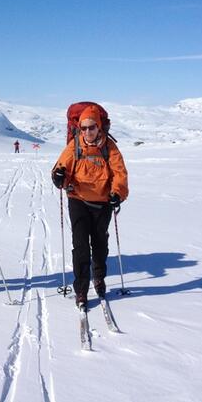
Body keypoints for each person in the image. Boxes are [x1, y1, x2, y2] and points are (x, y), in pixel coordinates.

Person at [51, 105, 128, 306]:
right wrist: (58, 177)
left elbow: (120, 173)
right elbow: (60, 167)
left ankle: (99, 278)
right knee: (81, 246)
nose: (87, 132)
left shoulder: (109, 147)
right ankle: (81, 289)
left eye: (91, 127)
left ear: (99, 126)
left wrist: (117, 193)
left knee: (100, 244)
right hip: (78, 201)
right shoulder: (74, 145)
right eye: (83, 128)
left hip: (103, 203)